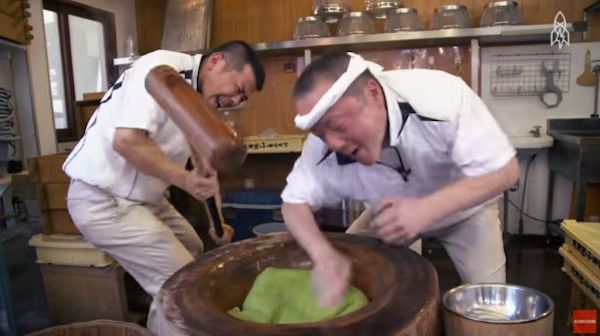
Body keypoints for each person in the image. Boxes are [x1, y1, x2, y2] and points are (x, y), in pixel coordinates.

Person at [281, 52, 519, 307]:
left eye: (338, 126)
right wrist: (323, 255)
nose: (334, 143)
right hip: (388, 218)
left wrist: (426, 209)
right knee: (361, 285)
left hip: (466, 213)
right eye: (320, 133)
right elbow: (293, 204)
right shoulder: (323, 146)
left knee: (491, 308)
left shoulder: (440, 96)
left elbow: (505, 171)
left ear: (373, 93)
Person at [62, 40, 265, 334]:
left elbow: (203, 167)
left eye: (243, 97)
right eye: (238, 88)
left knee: (195, 250)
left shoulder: (200, 98)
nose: (236, 100)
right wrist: (185, 181)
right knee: (183, 289)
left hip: (146, 199)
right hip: (103, 199)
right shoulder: (160, 70)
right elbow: (127, 141)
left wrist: (216, 221)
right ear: (216, 62)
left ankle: (159, 326)